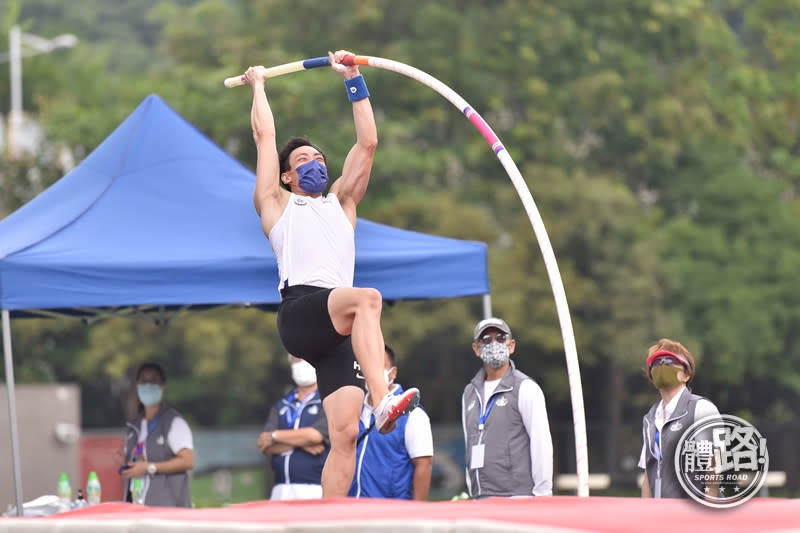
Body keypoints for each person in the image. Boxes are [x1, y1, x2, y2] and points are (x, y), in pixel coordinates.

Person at [243, 49, 420, 498]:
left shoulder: (343, 203)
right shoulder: (276, 204)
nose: (314, 162)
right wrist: (259, 85)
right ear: (286, 176)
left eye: (319, 156)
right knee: (368, 298)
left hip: (337, 335)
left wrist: (353, 78)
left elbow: (368, 144)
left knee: (343, 438)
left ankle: (329, 520)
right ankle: (383, 400)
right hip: (302, 311)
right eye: (303, 158)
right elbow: (266, 136)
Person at [461, 317, 553, 498]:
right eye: (486, 339)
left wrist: (543, 494)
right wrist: (472, 491)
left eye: (501, 338)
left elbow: (541, 443)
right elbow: (469, 444)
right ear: (477, 349)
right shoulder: (469, 393)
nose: (494, 343)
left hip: (517, 496)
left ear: (511, 346)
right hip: (481, 497)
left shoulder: (525, 388)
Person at [349, 344, 433, 500]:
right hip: (352, 510)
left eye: (378, 365)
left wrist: (416, 512)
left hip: (391, 512)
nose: (371, 370)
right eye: (367, 364)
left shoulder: (412, 413)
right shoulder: (353, 409)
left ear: (393, 373)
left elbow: (424, 465)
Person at [639, 338, 720, 498]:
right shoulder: (650, 418)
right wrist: (645, 513)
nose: (662, 366)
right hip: (659, 515)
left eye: (669, 361)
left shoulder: (701, 408)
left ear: (686, 374)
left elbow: (713, 465)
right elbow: (648, 473)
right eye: (655, 363)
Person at [115, 362, 194, 507]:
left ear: (163, 387)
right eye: (144, 381)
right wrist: (125, 460)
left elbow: (188, 461)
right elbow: (139, 459)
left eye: (153, 381)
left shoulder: (174, 423)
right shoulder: (134, 427)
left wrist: (149, 468)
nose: (148, 385)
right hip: (137, 508)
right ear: (137, 387)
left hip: (167, 512)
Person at [258, 355, 330, 500]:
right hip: (280, 489)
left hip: (315, 487)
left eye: (305, 358)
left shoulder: (327, 400)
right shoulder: (282, 404)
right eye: (296, 359)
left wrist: (275, 436)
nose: (301, 363)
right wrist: (302, 444)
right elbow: (263, 444)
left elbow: (315, 436)